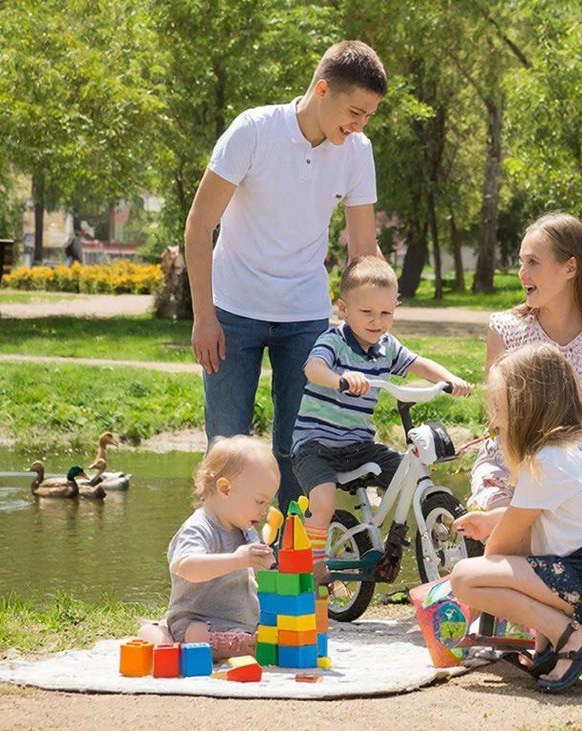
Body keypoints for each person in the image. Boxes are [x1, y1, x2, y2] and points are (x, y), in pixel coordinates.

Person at [183, 40, 387, 509]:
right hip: (232, 313)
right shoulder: (254, 131)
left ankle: (292, 550)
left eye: (368, 116)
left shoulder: (357, 151)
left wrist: (371, 324)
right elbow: (199, 225)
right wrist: (203, 317)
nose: (360, 124)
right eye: (355, 112)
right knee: (227, 448)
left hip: (305, 318)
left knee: (301, 449)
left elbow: (362, 253)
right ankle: (224, 548)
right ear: (322, 90)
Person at [450, 343, 582, 692]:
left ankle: (572, 640)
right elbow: (561, 518)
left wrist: (480, 600)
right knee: (531, 561)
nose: (494, 418)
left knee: (466, 578)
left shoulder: (548, 461)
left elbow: (503, 547)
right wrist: (493, 520)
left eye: (499, 406)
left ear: (525, 408)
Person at [454, 212, 582, 540]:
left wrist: (549, 480)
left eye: (533, 262)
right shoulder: (506, 331)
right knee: (509, 530)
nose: (522, 273)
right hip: (508, 466)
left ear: (570, 267)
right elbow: (499, 419)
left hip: (567, 476)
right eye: (521, 262)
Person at [293, 256, 471, 580]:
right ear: (343, 309)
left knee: (408, 475)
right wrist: (340, 379)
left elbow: (419, 363)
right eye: (367, 312)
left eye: (386, 313)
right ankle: (314, 563)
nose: (377, 322)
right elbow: (313, 368)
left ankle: (397, 536)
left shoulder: (387, 347)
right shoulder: (334, 341)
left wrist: (450, 379)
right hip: (315, 445)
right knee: (323, 498)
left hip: (359, 444)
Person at [137, 435, 278, 660]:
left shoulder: (245, 529)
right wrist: (237, 559)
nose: (264, 511)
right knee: (196, 635)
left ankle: (239, 640)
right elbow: (186, 566)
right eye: (260, 501)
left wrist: (270, 567)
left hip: (240, 621)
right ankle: (159, 634)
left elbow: (257, 573)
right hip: (198, 619)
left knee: (272, 634)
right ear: (225, 489)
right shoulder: (199, 528)